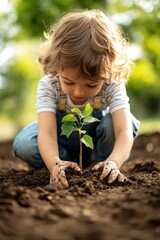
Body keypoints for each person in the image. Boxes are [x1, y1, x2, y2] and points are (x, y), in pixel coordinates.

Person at [13, 9, 140, 188]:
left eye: (91, 84)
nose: (79, 92)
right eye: (69, 82)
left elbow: (123, 132)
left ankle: (99, 164)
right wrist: (54, 164)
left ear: (107, 72)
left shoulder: (112, 83)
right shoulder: (49, 84)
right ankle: (65, 163)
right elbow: (47, 132)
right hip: (57, 140)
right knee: (25, 144)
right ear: (57, 66)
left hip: (96, 140)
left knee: (119, 124)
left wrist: (114, 162)